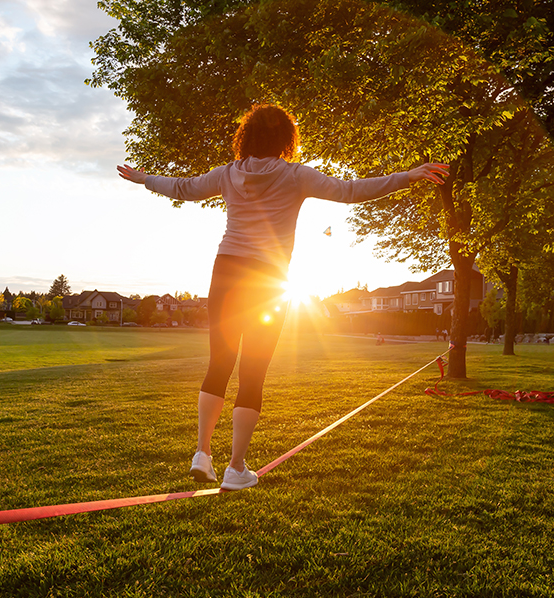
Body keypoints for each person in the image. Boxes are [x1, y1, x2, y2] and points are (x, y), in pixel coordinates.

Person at [117, 104, 449, 491]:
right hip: (267, 279)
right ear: (286, 138)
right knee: (253, 372)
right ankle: (235, 468)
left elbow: (183, 188)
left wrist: (144, 179)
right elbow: (350, 191)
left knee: (219, 363)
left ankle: (202, 453)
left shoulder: (228, 174)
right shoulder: (296, 175)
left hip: (225, 271)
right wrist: (407, 176)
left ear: (247, 136)